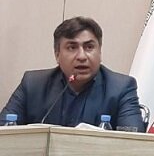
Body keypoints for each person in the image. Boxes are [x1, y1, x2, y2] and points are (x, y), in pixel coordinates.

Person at [0, 16, 145, 131]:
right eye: (72, 47)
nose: (82, 56)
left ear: (100, 52)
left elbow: (133, 142)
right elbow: (5, 132)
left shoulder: (121, 88)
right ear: (57, 55)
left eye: (89, 47)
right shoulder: (33, 84)